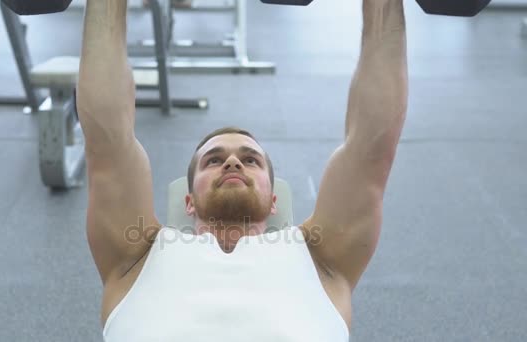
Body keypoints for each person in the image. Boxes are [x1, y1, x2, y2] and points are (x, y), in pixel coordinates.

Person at [76, 0, 408, 341]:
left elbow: (372, 146)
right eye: (213, 160)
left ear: (273, 199)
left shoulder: (321, 259)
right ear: (188, 201)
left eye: (250, 160)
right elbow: (107, 139)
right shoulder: (135, 257)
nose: (232, 162)